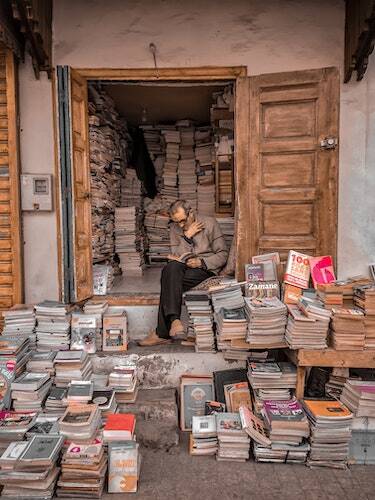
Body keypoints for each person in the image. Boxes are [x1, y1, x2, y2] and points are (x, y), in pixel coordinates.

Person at [139, 200, 228, 346]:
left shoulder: (210, 223)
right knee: (170, 269)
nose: (180, 225)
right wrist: (187, 236)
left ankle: (162, 332)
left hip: (205, 269)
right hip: (183, 268)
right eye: (176, 222)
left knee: (168, 279)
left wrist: (202, 262)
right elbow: (176, 255)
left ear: (191, 213)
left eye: (182, 221)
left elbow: (223, 254)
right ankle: (174, 320)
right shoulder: (175, 228)